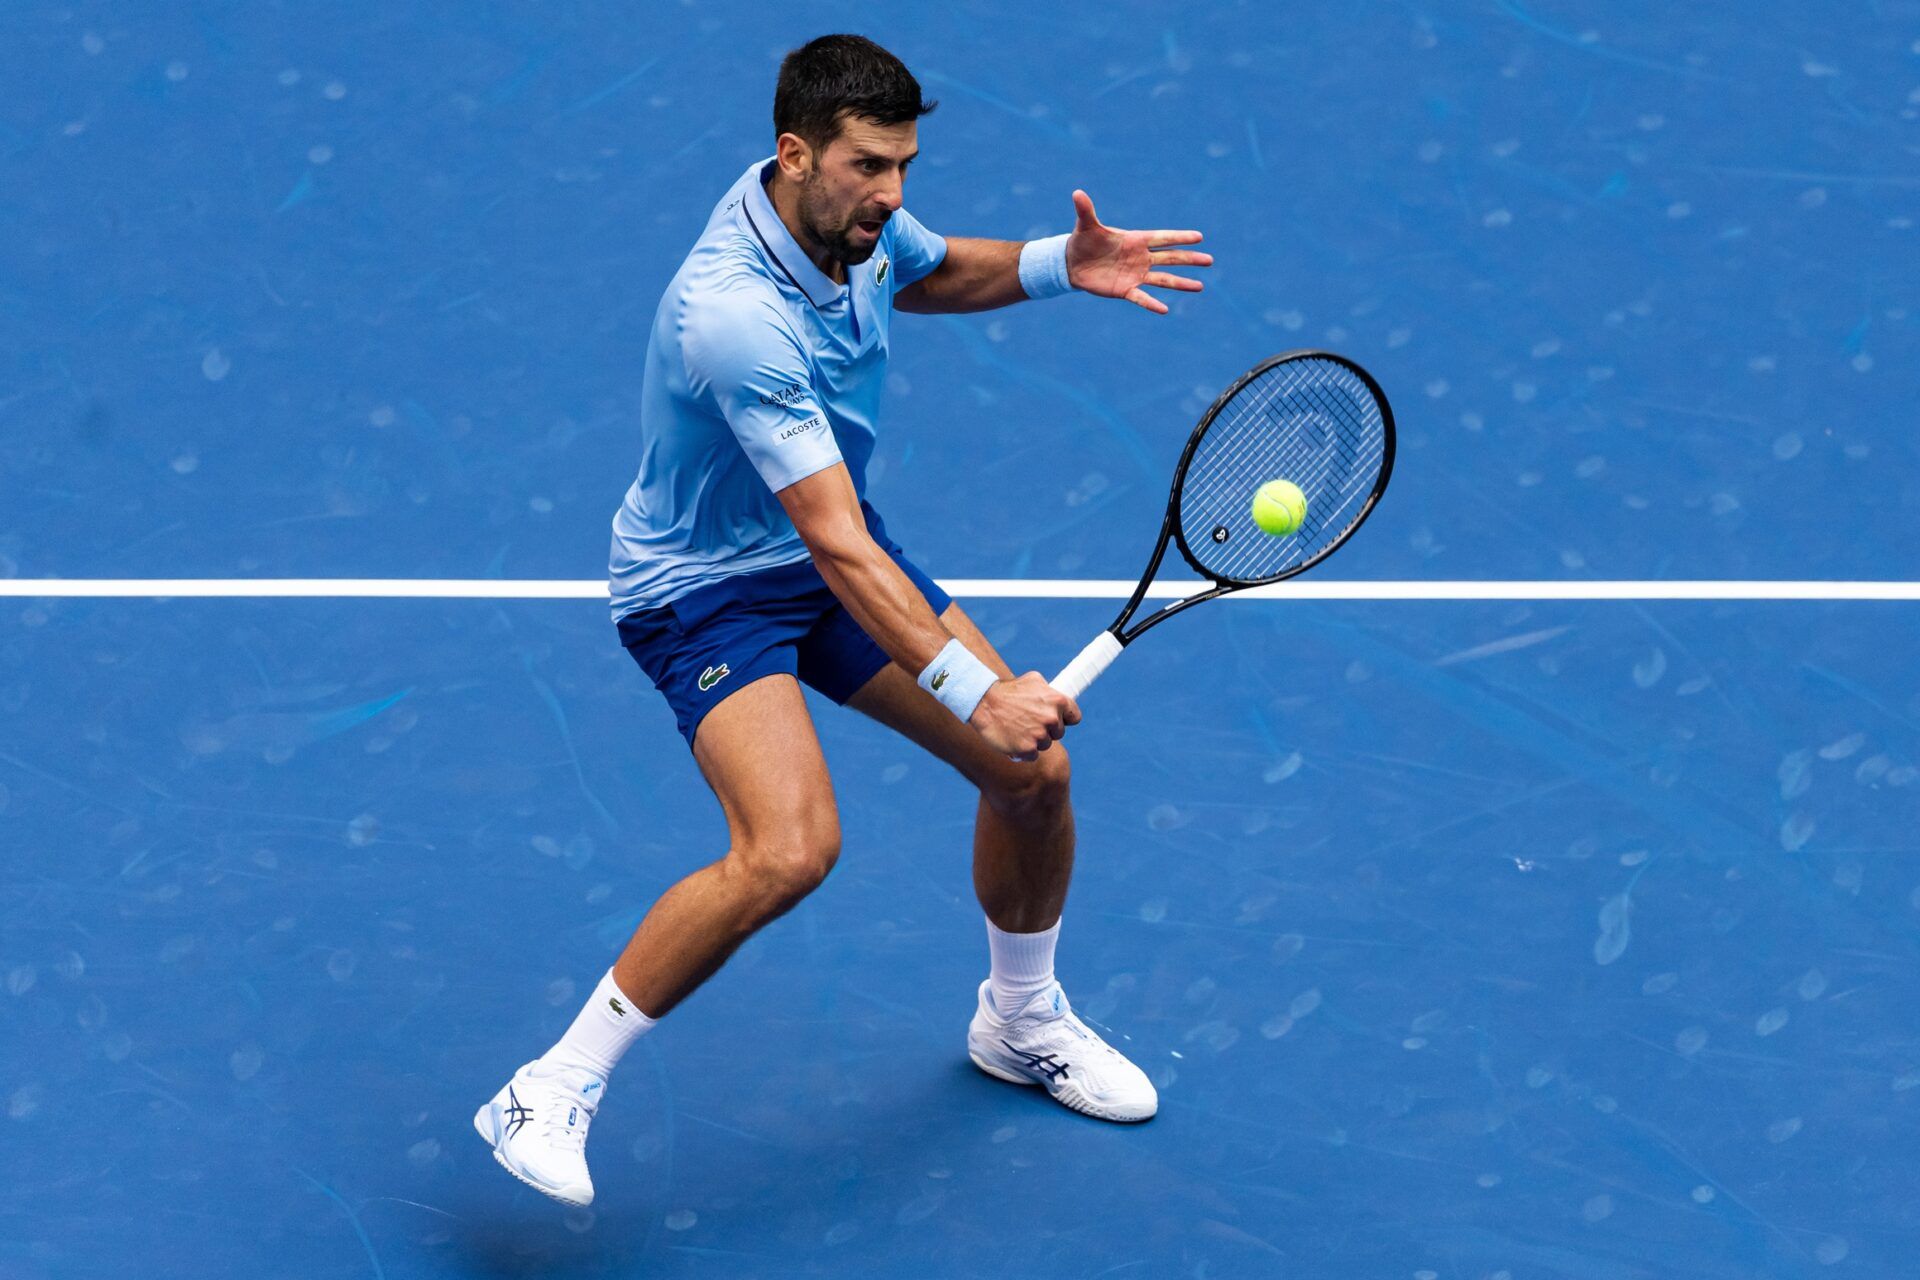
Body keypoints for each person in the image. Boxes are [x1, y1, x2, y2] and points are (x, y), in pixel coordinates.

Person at [475, 33, 1210, 1206]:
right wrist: (979, 690)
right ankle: (550, 1084)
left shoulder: (847, 223)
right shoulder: (733, 316)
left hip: (825, 546)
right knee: (790, 848)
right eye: (871, 165)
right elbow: (836, 546)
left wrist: (1057, 265)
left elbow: (924, 270)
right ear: (794, 152)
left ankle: (1018, 1023)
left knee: (1036, 776)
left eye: (906, 163)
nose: (894, 192)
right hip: (706, 589)